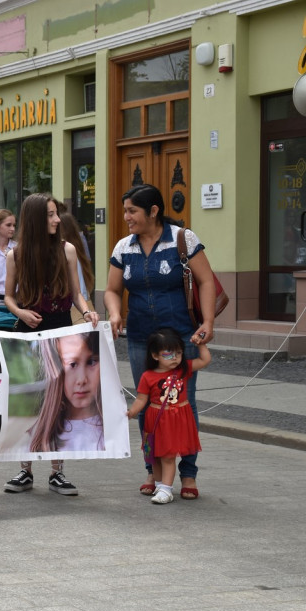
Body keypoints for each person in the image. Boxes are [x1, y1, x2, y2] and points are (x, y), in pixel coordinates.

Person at [105, 184, 217, 500]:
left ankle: (189, 474)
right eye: (125, 210)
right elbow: (113, 290)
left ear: (153, 211)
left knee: (184, 404)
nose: (126, 217)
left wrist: (207, 322)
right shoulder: (123, 247)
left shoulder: (183, 239)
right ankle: (152, 471)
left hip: (181, 336)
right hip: (141, 337)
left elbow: (206, 280)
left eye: (132, 211)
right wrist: (115, 314)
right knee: (150, 406)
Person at [2, 193, 99, 497]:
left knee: (59, 400)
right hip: (27, 331)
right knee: (27, 401)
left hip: (61, 328)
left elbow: (76, 291)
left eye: (56, 214)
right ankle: (24, 468)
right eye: (51, 215)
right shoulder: (15, 255)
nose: (58, 220)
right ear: (35, 219)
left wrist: (86, 311)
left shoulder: (67, 249)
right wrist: (19, 312)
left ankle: (58, 471)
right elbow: (7, 296)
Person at [126, 328, 211, 504]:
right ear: (155, 355)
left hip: (177, 420)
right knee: (154, 455)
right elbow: (142, 399)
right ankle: (159, 484)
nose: (175, 358)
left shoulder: (183, 369)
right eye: (168, 354)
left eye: (179, 353)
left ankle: (166, 489)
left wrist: (201, 344)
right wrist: (132, 411)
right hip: (156, 420)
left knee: (168, 456)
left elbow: (205, 360)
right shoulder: (147, 376)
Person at [26, 333, 104, 453]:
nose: (82, 380)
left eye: (91, 362)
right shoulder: (37, 438)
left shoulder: (111, 429)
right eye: (72, 364)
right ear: (55, 367)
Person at [58, 208, 94, 322]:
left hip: (74, 309)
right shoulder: (78, 247)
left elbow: (78, 290)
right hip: (82, 304)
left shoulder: (68, 251)